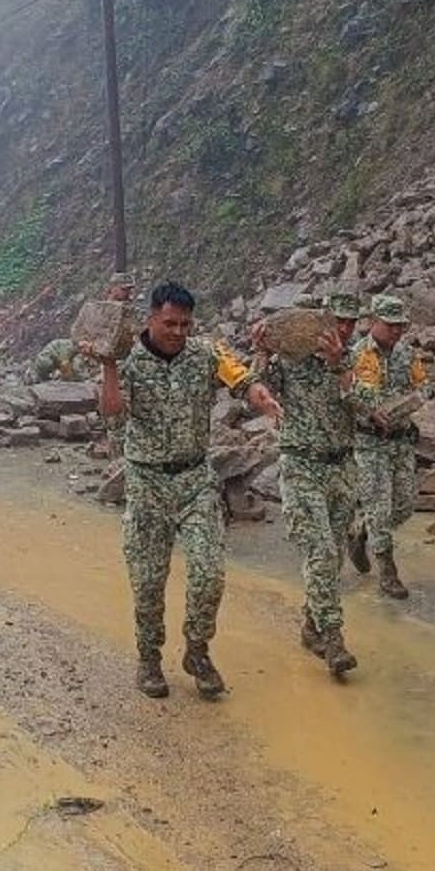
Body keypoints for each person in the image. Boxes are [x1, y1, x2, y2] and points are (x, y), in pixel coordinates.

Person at [91, 281, 281, 699]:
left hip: (195, 481)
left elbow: (241, 378)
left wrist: (260, 395)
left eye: (185, 324)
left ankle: (197, 651)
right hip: (147, 484)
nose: (178, 331)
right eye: (169, 323)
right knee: (147, 582)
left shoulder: (205, 353)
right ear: (151, 318)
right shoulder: (128, 361)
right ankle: (149, 659)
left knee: (209, 574)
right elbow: (111, 412)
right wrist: (107, 365)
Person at [252, 291, 363, 677]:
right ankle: (334, 639)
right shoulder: (290, 361)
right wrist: (263, 351)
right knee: (321, 552)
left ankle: (312, 625)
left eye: (352, 322)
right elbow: (259, 389)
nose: (345, 329)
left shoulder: (355, 360)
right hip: (301, 466)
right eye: (338, 321)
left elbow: (365, 407)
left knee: (334, 557)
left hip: (342, 469)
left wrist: (340, 366)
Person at [349, 293, 427, 599]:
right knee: (379, 505)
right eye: (390, 325)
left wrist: (409, 403)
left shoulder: (407, 354)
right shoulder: (356, 355)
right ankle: (387, 571)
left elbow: (424, 385)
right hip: (369, 443)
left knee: (405, 504)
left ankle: (361, 533)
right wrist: (369, 411)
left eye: (400, 326)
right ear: (373, 322)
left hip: (401, 440)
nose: (396, 331)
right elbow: (347, 394)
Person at [24, 272, 137, 384]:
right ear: (113, 289)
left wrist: (95, 348)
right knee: (55, 348)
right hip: (86, 350)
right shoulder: (95, 307)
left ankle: (82, 380)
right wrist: (83, 343)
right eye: (124, 289)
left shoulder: (131, 312)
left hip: (112, 357)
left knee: (82, 368)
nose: (128, 293)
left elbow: (131, 340)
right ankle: (35, 377)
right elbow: (77, 331)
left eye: (130, 290)